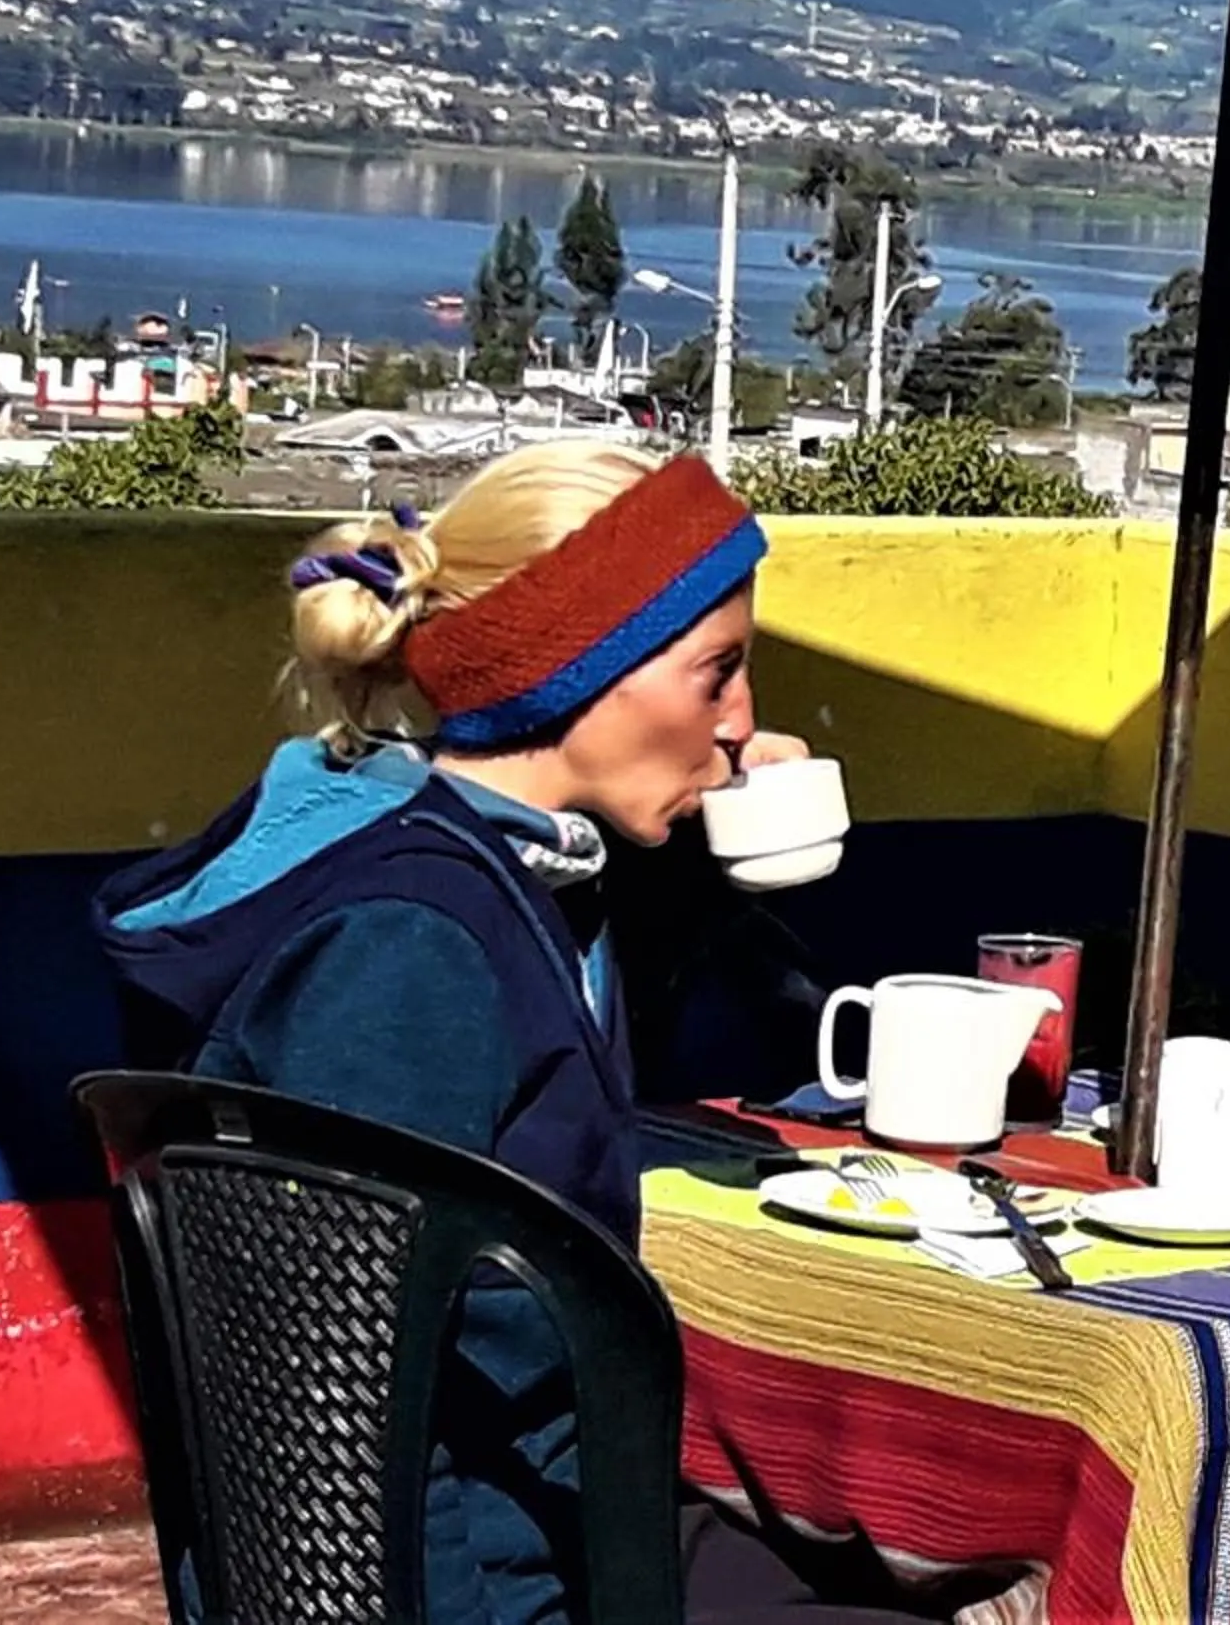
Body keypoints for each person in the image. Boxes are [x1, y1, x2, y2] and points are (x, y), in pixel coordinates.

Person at [94, 442, 897, 1625]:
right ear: (585, 669)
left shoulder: (511, 875)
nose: (741, 725)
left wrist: (720, 831)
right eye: (716, 673)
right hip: (473, 1578)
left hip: (571, 1514)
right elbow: (336, 1419)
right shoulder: (405, 950)